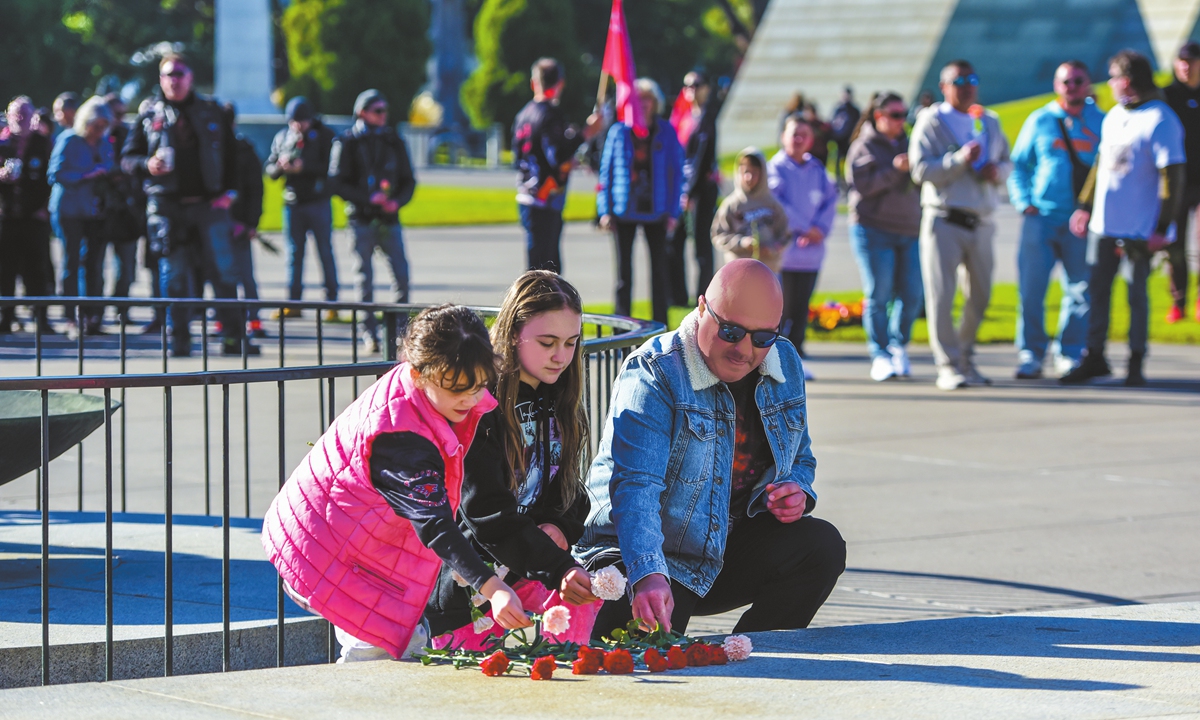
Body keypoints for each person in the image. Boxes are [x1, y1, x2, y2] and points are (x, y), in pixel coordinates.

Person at [577, 259, 846, 639]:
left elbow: (800, 458)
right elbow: (635, 489)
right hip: (648, 556)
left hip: (724, 550)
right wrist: (649, 575)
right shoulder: (655, 371)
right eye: (732, 331)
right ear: (702, 308)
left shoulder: (783, 359)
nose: (745, 350)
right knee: (643, 668)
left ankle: (753, 657)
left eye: (762, 337)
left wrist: (796, 490)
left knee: (820, 547)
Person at [262, 305, 532, 662]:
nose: (470, 399)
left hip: (345, 535)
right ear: (420, 373)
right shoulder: (402, 439)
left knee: (401, 647)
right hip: (327, 549)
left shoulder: (423, 389)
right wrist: (492, 587)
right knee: (380, 655)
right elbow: (435, 525)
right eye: (457, 390)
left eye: (478, 386)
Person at [425, 271, 600, 649]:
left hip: (534, 573)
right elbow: (485, 513)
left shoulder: (563, 404)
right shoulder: (479, 405)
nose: (561, 356)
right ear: (513, 333)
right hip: (473, 586)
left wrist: (559, 526)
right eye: (547, 342)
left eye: (571, 343)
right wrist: (557, 566)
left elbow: (573, 494)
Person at [1062, 51, 1186, 387]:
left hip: (1139, 228)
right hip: (1104, 224)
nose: (1110, 84)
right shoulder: (1114, 116)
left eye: (1113, 77)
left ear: (1126, 80)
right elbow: (1101, 165)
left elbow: (1173, 179)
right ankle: (1094, 357)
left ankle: (1135, 361)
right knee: (1096, 292)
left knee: (1135, 295)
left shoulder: (1160, 119)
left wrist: (1161, 228)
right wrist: (1084, 206)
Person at [122, 53, 255, 357]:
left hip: (209, 206)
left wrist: (231, 192)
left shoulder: (212, 111)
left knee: (223, 274)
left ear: (190, 78)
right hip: (168, 207)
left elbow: (234, 156)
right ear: (160, 79)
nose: (174, 80)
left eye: (180, 74)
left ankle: (234, 338)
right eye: (168, 74)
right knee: (176, 277)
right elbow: (127, 158)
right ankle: (180, 340)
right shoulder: (148, 115)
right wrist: (147, 163)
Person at [910, 60, 1012, 390]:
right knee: (941, 296)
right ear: (944, 86)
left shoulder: (989, 120)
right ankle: (948, 364)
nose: (967, 86)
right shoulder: (932, 121)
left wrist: (997, 172)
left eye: (972, 79)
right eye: (959, 81)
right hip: (944, 218)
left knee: (980, 295)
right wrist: (959, 160)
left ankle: (966, 357)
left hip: (981, 220)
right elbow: (920, 170)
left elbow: (1008, 162)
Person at [1008, 61, 1104, 379]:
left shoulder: (1101, 122)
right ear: (1056, 85)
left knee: (1080, 291)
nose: (1071, 87)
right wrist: (1024, 202)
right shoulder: (1041, 120)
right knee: (1031, 290)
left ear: (1088, 84)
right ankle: (1031, 354)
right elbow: (1018, 166)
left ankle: (1069, 353)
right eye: (1066, 81)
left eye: (1078, 81)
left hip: (1080, 221)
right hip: (1042, 217)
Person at [329, 89, 416, 355]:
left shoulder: (393, 142)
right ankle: (369, 333)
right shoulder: (347, 142)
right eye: (378, 111)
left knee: (401, 276)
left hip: (389, 219)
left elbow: (409, 181)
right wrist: (368, 198)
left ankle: (402, 334)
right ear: (362, 112)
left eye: (384, 110)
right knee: (364, 280)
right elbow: (336, 183)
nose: (383, 115)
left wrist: (396, 201)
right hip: (361, 220)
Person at [846, 92, 924, 382]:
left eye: (904, 115)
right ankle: (879, 353)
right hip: (873, 228)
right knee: (879, 292)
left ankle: (898, 345)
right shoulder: (863, 145)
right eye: (894, 115)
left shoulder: (911, 141)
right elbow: (861, 185)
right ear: (878, 117)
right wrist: (894, 169)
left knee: (913, 293)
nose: (900, 121)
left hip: (909, 229)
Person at [597, 78, 685, 327]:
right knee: (624, 276)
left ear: (655, 103)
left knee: (659, 273)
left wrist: (673, 211)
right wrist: (605, 210)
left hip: (656, 212)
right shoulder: (619, 132)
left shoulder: (666, 131)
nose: (643, 104)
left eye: (648, 99)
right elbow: (606, 174)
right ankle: (621, 327)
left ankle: (660, 327)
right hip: (624, 211)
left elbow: (676, 173)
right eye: (639, 99)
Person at [513, 58, 602, 274]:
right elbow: (558, 155)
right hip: (545, 197)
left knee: (536, 262)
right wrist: (585, 134)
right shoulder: (550, 115)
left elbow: (518, 156)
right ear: (560, 84)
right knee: (547, 270)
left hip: (526, 193)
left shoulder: (523, 114)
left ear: (534, 83)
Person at [768, 114, 839, 380]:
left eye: (804, 135)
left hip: (811, 255)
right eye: (794, 134)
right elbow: (777, 203)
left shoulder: (818, 170)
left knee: (800, 309)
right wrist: (802, 227)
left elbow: (830, 202)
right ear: (783, 136)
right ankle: (775, 361)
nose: (798, 140)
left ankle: (794, 360)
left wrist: (819, 229)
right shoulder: (775, 167)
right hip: (785, 254)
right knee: (781, 310)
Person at [265, 96, 338, 320]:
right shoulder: (283, 137)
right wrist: (280, 167)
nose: (298, 126)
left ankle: (332, 303)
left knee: (324, 252)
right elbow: (269, 168)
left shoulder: (325, 136)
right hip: (293, 203)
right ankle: (293, 302)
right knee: (294, 254)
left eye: (302, 121)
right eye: (294, 122)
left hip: (317, 202)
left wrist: (304, 167)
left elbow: (332, 168)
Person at [49, 96, 114, 335]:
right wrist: (86, 175)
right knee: (71, 262)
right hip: (69, 210)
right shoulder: (69, 140)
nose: (99, 131)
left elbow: (111, 168)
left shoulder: (105, 144)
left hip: (95, 212)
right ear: (86, 121)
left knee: (94, 264)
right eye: (96, 126)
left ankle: (93, 316)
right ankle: (70, 316)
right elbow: (55, 173)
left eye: (103, 127)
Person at [0, 96, 55, 334]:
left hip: (35, 217)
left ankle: (41, 319)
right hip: (7, 216)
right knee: (6, 271)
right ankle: (6, 319)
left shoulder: (43, 143)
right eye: (16, 114)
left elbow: (53, 177)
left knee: (37, 270)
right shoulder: (2, 144)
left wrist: (45, 207)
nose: (20, 119)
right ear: (8, 116)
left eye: (25, 114)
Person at [667, 71, 722, 306]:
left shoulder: (707, 119)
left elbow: (701, 160)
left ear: (706, 89)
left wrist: (688, 191)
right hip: (683, 187)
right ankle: (677, 295)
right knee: (674, 240)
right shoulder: (685, 116)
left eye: (697, 85)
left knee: (701, 244)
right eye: (687, 85)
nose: (691, 89)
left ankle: (703, 295)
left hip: (700, 190)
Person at [1163, 41, 1200, 324]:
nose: (1186, 67)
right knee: (1174, 246)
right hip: (1176, 184)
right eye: (1182, 61)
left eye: (1192, 61)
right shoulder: (1166, 96)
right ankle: (1179, 301)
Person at [711, 148, 790, 272]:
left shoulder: (773, 204)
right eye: (746, 172)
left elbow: (785, 235)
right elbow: (718, 235)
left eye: (755, 173)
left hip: (768, 270)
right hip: (739, 271)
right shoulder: (732, 204)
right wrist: (741, 243)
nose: (749, 177)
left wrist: (774, 248)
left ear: (763, 174)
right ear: (739, 173)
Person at [101, 93, 143, 320]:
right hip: (100, 210)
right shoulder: (94, 134)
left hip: (125, 210)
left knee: (126, 265)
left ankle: (122, 307)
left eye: (122, 113)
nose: (120, 118)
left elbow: (133, 164)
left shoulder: (129, 134)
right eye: (116, 114)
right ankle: (94, 312)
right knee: (94, 265)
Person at [226, 104, 265, 338]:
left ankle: (254, 319)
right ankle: (226, 322)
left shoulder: (243, 149)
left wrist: (250, 223)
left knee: (245, 274)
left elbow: (255, 189)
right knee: (222, 277)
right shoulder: (212, 148)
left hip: (239, 222)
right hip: (218, 223)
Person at [830, 85, 862, 189]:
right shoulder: (838, 108)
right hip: (840, 141)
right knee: (837, 164)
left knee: (851, 162)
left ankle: (849, 181)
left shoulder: (854, 110)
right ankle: (839, 183)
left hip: (850, 141)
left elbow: (858, 124)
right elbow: (833, 122)